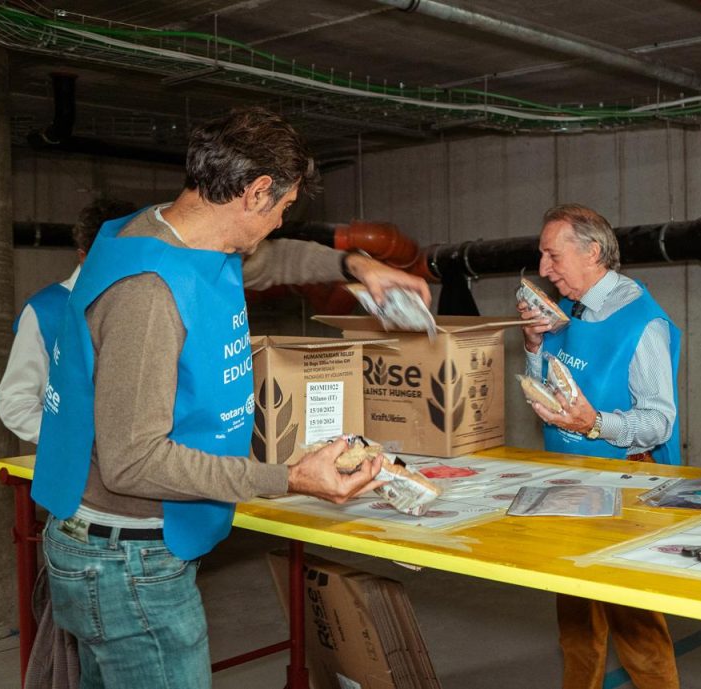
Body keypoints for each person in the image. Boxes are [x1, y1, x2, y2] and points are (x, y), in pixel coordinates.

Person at [30, 106, 430, 689]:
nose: (276, 224)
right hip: (125, 561)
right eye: (283, 209)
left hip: (115, 550)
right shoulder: (148, 296)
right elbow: (133, 460)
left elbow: (272, 260)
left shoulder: (160, 232)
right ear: (256, 192)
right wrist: (287, 479)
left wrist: (357, 263)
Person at [517, 204, 682, 689]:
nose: (545, 270)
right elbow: (549, 397)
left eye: (552, 256)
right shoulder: (569, 313)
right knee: (576, 624)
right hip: (570, 482)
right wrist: (532, 348)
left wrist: (596, 424)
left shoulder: (643, 323)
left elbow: (660, 422)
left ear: (592, 252)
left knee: (638, 629)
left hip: (628, 488)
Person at [0, 197, 136, 444]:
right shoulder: (47, 311)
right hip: (76, 470)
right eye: (111, 261)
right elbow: (15, 401)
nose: (123, 270)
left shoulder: (152, 302)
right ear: (83, 256)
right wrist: (70, 441)